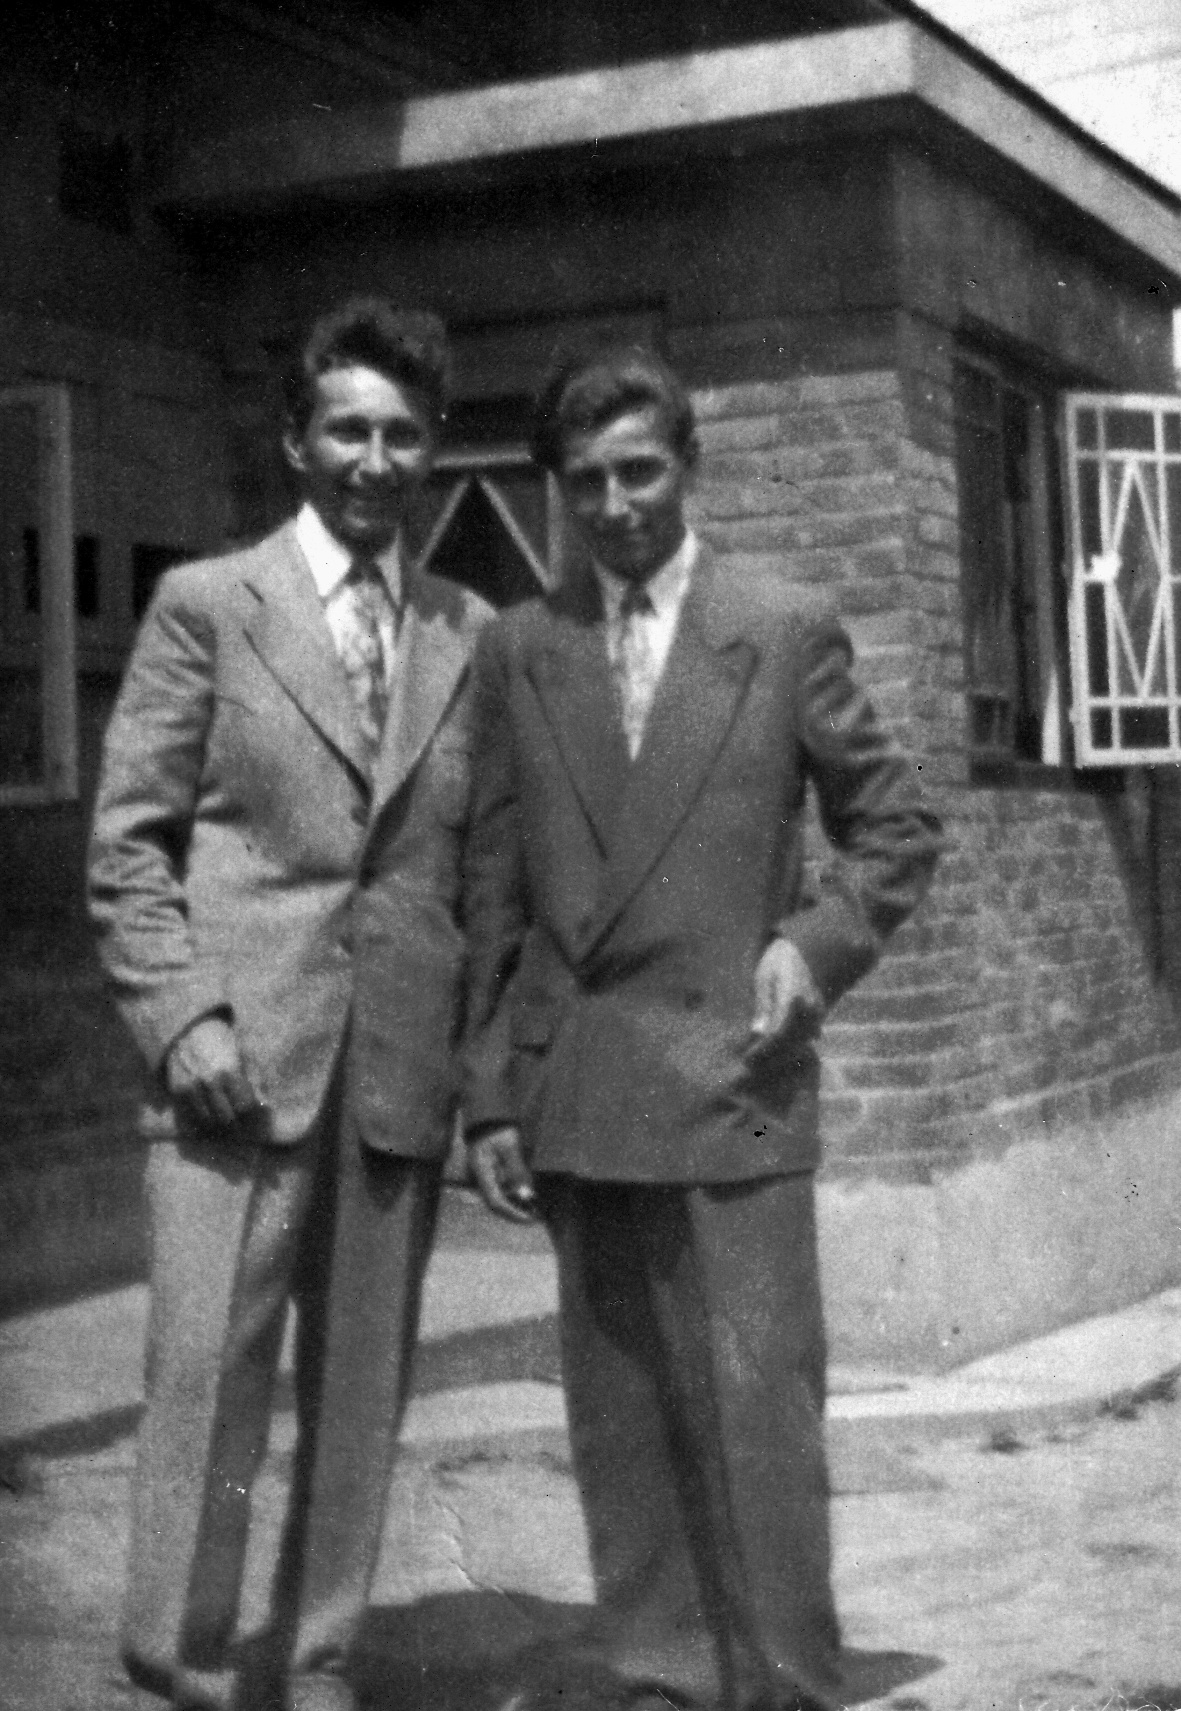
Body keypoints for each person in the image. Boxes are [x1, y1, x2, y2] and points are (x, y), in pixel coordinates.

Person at [460, 347, 942, 1711]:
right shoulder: (522, 646)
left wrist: (813, 945)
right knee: (621, 1424)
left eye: (639, 472)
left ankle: (786, 1682)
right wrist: (490, 1094)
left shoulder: (778, 625)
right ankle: (662, 1678)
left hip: (734, 1081)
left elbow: (896, 826)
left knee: (757, 1410)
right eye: (584, 482)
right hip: (583, 1091)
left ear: (687, 466)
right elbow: (491, 884)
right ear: (558, 492)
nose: (614, 505)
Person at [88, 298, 492, 1711]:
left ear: (432, 451)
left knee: (361, 1391)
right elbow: (127, 846)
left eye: (403, 435)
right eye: (347, 431)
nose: (374, 462)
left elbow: (471, 866)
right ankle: (182, 1655)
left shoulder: (465, 629)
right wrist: (182, 1020)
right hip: (234, 1068)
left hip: (392, 1070)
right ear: (295, 442)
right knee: (208, 1375)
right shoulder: (210, 605)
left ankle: (317, 1655)